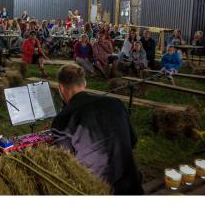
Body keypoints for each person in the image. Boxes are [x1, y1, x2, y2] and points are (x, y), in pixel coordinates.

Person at [51, 64, 144, 195]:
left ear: (61, 87)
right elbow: (133, 140)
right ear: (85, 83)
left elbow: (65, 163)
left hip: (96, 189)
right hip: (131, 184)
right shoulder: (115, 103)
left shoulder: (63, 118)